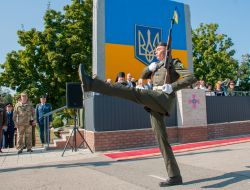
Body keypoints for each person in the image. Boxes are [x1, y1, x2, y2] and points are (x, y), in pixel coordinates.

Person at [78, 42, 197, 186]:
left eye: (158, 49)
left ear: (166, 51)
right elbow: (142, 76)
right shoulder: (157, 65)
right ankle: (175, 176)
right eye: (156, 49)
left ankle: (92, 84)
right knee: (161, 139)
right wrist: (149, 68)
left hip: (162, 98)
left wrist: (171, 86)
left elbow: (191, 77)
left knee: (132, 91)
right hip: (155, 99)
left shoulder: (174, 62)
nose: (155, 51)